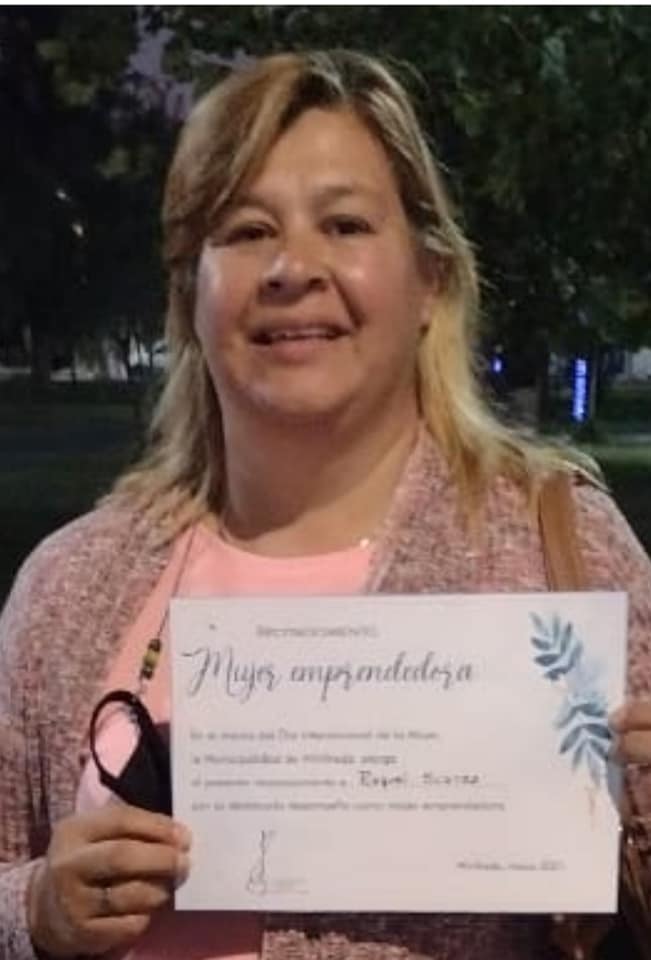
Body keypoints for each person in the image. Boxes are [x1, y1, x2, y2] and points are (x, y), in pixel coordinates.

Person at [1, 48, 651, 960]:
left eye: (344, 224)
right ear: (190, 293)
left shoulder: (561, 548)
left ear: (429, 279)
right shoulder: (71, 583)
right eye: (245, 229)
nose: (291, 267)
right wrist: (35, 911)